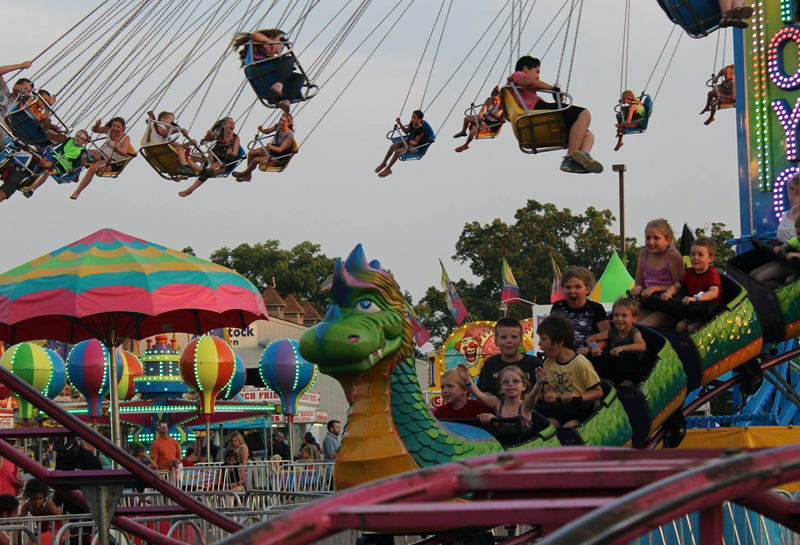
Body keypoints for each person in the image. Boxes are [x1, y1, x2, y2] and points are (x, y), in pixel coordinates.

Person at [509, 56, 602, 174]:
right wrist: (553, 89)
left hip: (536, 113)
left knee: (587, 135)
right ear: (526, 69)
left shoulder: (517, 87)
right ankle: (570, 158)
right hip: (536, 110)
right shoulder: (517, 75)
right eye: (537, 72)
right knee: (583, 114)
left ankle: (583, 157)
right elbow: (529, 82)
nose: (538, 76)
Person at [535, 315, 604, 429]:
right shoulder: (548, 362)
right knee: (546, 428)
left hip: (580, 412)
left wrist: (577, 396)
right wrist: (550, 394)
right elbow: (547, 390)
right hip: (558, 410)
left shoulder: (580, 363)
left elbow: (598, 392)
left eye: (543, 339)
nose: (539, 344)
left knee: (569, 429)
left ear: (559, 341)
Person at [661, 237, 724, 333]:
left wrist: (696, 298)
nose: (695, 258)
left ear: (711, 258)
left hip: (710, 313)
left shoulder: (712, 274)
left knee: (692, 329)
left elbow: (714, 292)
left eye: (700, 255)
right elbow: (677, 286)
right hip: (694, 311)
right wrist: (668, 293)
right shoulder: (690, 272)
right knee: (680, 326)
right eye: (693, 254)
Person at [231, 28, 302, 114]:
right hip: (260, 68)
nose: (282, 46)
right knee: (290, 58)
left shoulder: (271, 58)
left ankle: (287, 101)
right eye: (281, 41)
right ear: (272, 37)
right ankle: (278, 84)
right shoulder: (264, 45)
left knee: (300, 77)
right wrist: (270, 42)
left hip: (267, 74)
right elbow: (254, 35)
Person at [630, 218, 686, 327]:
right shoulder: (643, 254)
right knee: (628, 326)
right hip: (648, 304)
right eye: (648, 238)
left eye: (656, 238)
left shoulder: (672, 255)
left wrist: (657, 288)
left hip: (668, 308)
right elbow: (639, 282)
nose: (651, 242)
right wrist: (637, 289)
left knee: (643, 328)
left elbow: (681, 288)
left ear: (668, 240)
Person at [581, 297, 647, 387]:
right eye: (616, 315)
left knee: (624, 388)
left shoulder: (634, 333)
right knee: (605, 385)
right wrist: (594, 346)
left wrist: (621, 348)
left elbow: (641, 345)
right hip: (614, 370)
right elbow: (591, 338)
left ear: (634, 318)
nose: (619, 319)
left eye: (624, 316)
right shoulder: (612, 332)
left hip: (631, 372)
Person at [457, 362, 545, 429]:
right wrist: (467, 380)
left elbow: (533, 396)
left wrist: (539, 383)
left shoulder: (525, 406)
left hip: (523, 446)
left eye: (515, 381)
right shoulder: (497, 404)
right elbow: (479, 395)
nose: (511, 384)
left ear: (524, 387)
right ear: (500, 389)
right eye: (506, 382)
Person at [750, 173, 800, 285]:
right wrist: (783, 247)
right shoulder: (788, 213)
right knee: (753, 275)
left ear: (795, 190)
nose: (788, 195)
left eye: (788, 192)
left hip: (795, 262)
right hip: (783, 258)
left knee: (760, 279)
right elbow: (793, 241)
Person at [477, 317, 543, 397]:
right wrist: (498, 404)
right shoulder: (490, 363)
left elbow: (542, 392)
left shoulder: (534, 363)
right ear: (496, 342)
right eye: (503, 337)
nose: (509, 341)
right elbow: (483, 391)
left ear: (521, 341)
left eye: (514, 337)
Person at [70, 117, 133, 200]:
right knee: (83, 152)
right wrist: (96, 125)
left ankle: (77, 192)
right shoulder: (109, 130)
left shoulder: (126, 138)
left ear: (122, 128)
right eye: (114, 126)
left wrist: (117, 148)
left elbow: (124, 152)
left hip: (113, 162)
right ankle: (76, 174)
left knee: (92, 168)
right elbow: (95, 130)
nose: (115, 128)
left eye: (118, 127)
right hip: (103, 154)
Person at [178, 117, 240, 197]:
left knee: (207, 171)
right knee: (191, 157)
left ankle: (190, 190)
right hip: (213, 155)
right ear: (224, 125)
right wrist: (209, 134)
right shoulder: (219, 133)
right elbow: (207, 139)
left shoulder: (236, 138)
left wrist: (231, 153)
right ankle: (185, 173)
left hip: (223, 162)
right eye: (230, 123)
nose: (233, 125)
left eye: (233, 123)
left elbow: (235, 154)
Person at [550, 267, 610, 349]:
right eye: (568, 287)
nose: (572, 291)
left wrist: (591, 348)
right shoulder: (558, 307)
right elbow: (550, 334)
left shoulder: (595, 308)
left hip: (589, 357)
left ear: (588, 289)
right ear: (562, 289)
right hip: (563, 356)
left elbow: (607, 335)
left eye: (578, 287)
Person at [22, 130, 90, 198]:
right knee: (41, 164)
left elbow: (82, 164)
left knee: (48, 172)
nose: (78, 139)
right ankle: (27, 179)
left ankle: (32, 189)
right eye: (77, 136)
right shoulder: (69, 140)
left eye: (81, 138)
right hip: (55, 158)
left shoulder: (82, 151)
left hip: (63, 166)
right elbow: (59, 139)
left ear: (84, 142)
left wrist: (83, 159)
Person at [233, 114, 294, 181]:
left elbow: (280, 150)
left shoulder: (289, 135)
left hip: (277, 157)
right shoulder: (278, 126)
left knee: (256, 160)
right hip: (272, 150)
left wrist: (271, 147)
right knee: (252, 152)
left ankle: (244, 173)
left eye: (283, 121)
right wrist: (262, 130)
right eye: (280, 120)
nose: (281, 122)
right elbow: (267, 131)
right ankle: (248, 175)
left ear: (288, 123)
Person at [52, 437, 102, 515]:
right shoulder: (61, 458)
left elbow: (99, 487)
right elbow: (59, 486)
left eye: (65, 452)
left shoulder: (89, 460)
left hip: (89, 511)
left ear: (75, 445)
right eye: (58, 452)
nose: (62, 455)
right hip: (69, 510)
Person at [374, 110, 429, 178]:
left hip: (415, 147)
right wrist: (400, 123)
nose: (412, 119)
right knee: (393, 146)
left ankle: (388, 169)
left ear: (420, 119)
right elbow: (406, 131)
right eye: (412, 117)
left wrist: (412, 142)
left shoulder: (421, 130)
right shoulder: (412, 123)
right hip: (408, 141)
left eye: (415, 118)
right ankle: (383, 163)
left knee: (398, 151)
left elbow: (415, 143)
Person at [145, 111, 202, 176]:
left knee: (185, 156)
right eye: (172, 122)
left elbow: (180, 146)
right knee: (180, 149)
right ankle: (184, 166)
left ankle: (201, 171)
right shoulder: (158, 126)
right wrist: (178, 130)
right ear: (163, 120)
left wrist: (190, 143)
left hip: (162, 150)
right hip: (156, 148)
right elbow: (164, 133)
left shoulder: (167, 138)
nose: (173, 125)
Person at [454, 87, 504, 153]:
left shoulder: (500, 105)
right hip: (486, 118)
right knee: (466, 119)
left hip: (492, 124)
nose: (494, 102)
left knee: (472, 132)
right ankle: (463, 132)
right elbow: (482, 111)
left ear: (499, 99)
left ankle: (465, 145)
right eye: (493, 100)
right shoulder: (488, 100)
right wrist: (480, 116)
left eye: (496, 100)